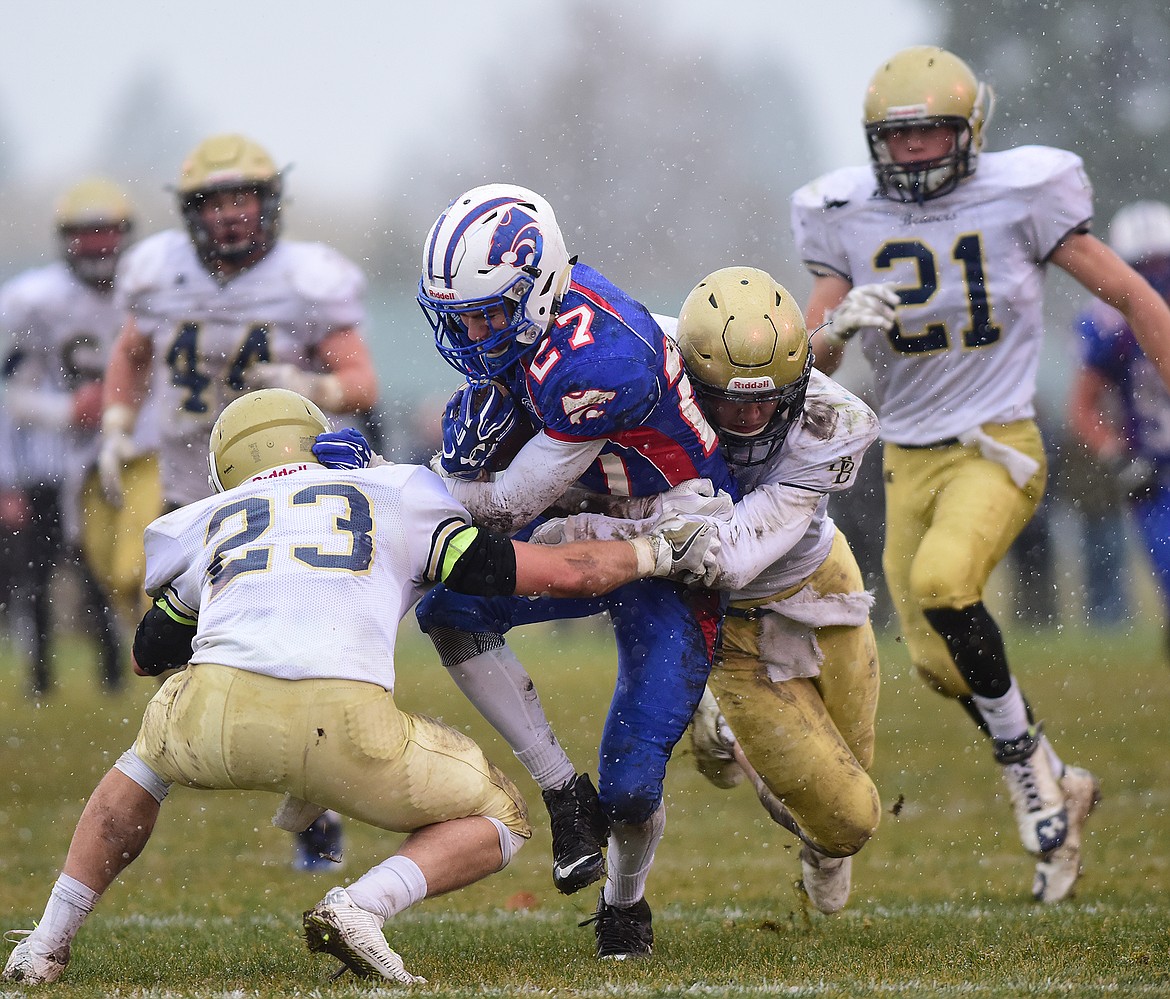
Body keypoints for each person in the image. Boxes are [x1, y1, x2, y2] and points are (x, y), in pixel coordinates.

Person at [1, 388, 716, 987]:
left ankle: (48, 941)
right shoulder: (393, 491)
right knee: (498, 820)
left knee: (145, 760)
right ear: (317, 441)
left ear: (229, 467)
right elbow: (560, 574)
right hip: (343, 722)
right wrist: (652, 550)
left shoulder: (210, 517)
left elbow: (149, 652)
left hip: (213, 716)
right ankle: (363, 904)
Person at [791, 45, 1170, 903]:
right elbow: (805, 361)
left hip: (997, 444)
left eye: (933, 133)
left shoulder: (1024, 192)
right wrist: (838, 325)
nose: (917, 151)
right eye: (901, 136)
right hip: (906, 458)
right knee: (932, 658)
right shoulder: (844, 211)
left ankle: (1029, 790)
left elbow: (1139, 299)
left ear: (970, 133)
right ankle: (1052, 770)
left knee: (941, 581)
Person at [415, 183, 739, 958]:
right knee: (449, 607)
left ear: (538, 288)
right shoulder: (539, 333)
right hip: (587, 509)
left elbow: (512, 501)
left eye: (489, 314)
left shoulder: (597, 360)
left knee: (631, 787)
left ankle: (625, 900)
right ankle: (563, 792)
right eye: (459, 316)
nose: (473, 332)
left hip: (669, 539)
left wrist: (409, 486)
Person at [529, 267, 883, 913]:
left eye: (766, 399)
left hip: (821, 576)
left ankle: (734, 747)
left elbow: (734, 550)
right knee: (850, 818)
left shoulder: (835, 423)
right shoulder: (638, 365)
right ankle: (729, 736)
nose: (750, 417)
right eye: (728, 400)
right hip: (735, 625)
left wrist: (634, 541)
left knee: (853, 777)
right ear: (688, 377)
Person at [98, 132, 380, 871]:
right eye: (215, 202)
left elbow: (361, 380)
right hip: (191, 490)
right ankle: (241, 758)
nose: (230, 216)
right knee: (174, 644)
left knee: (292, 650)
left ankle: (309, 798)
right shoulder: (156, 273)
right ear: (192, 211)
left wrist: (311, 383)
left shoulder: (307, 278)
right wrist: (118, 423)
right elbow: (131, 352)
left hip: (285, 494)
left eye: (243, 198)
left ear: (269, 202)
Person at [0, 178, 153, 694]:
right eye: (85, 234)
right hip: (54, 461)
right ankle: (41, 681)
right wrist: (67, 408)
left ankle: (117, 676)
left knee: (114, 573)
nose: (97, 246)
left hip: (132, 453)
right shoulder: (32, 301)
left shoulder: (151, 288)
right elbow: (10, 394)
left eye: (106, 232)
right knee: (41, 579)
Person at [1068, 200, 1170, 654]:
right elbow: (1084, 406)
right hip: (1154, 469)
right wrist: (1117, 455)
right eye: (1143, 267)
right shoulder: (1112, 321)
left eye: (1162, 263)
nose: (1156, 277)